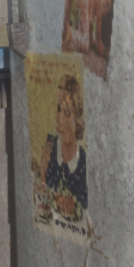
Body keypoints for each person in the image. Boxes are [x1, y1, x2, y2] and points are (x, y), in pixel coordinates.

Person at [41, 72, 88, 219]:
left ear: (78, 120)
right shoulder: (49, 150)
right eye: (58, 110)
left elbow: (84, 212)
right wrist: (43, 172)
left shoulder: (84, 164)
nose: (60, 120)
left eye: (67, 113)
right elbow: (41, 205)